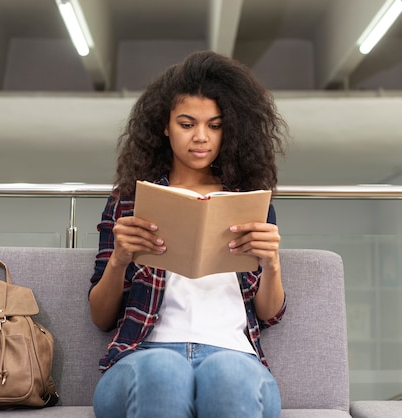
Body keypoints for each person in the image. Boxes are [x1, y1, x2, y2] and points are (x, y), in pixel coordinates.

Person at [88, 50, 288, 418]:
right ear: (164, 125)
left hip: (234, 356)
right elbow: (101, 318)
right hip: (144, 357)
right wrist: (119, 259)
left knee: (225, 372)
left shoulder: (249, 202)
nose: (201, 137)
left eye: (214, 125)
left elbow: (270, 314)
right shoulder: (129, 202)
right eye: (186, 124)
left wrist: (272, 266)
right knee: (165, 368)